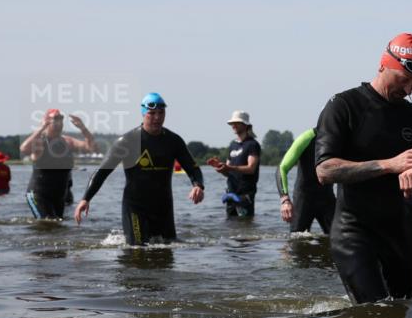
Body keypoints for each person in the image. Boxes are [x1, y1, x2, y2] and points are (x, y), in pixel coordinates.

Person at [315, 33, 412, 304]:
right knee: (376, 311)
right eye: (404, 80)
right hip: (354, 231)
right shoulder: (344, 106)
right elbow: (325, 170)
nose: (409, 90)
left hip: (399, 234)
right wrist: (390, 165)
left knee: (400, 312)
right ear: (384, 64)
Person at [74, 93, 205, 245]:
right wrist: (86, 198)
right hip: (135, 208)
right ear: (143, 113)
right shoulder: (127, 141)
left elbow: (193, 167)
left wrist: (198, 186)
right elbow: (102, 171)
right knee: (137, 253)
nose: (157, 117)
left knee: (167, 252)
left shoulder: (173, 141)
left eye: (161, 113)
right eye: (152, 113)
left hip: (164, 207)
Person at [20, 109, 97, 219]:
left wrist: (83, 128)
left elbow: (91, 148)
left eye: (61, 118)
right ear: (46, 121)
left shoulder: (68, 141)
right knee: (48, 223)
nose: (59, 122)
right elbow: (24, 149)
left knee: (58, 226)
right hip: (39, 194)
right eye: (55, 119)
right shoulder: (40, 141)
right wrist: (42, 127)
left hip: (59, 195)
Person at [277, 127, 336, 233]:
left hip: (327, 198)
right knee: (297, 240)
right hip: (304, 199)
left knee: (338, 238)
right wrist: (285, 200)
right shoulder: (307, 137)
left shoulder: (339, 138)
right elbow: (282, 168)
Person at [210, 111, 260, 218]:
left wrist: (229, 167)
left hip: (245, 195)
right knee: (231, 228)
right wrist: (220, 167)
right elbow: (228, 173)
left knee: (245, 226)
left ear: (245, 125)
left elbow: (251, 168)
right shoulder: (232, 145)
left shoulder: (252, 144)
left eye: (237, 122)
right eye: (232, 123)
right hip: (231, 194)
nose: (233, 125)